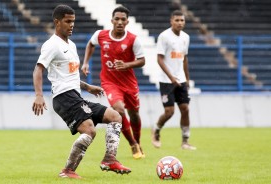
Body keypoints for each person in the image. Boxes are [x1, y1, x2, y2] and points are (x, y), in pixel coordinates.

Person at [32, 4, 131, 179]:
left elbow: (69, 76)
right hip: (63, 97)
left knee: (115, 117)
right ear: (57, 22)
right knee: (89, 130)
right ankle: (67, 171)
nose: (71, 25)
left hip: (75, 95)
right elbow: (38, 69)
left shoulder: (71, 46)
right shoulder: (51, 45)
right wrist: (39, 95)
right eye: (67, 21)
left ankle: (110, 159)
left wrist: (87, 87)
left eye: (73, 21)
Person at [81, 6, 145, 159]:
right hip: (110, 82)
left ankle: (138, 141)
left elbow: (142, 61)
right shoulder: (101, 35)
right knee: (119, 110)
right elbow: (91, 44)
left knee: (134, 114)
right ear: (112, 20)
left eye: (123, 19)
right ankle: (132, 144)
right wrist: (85, 62)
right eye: (117, 19)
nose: (120, 22)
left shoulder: (133, 39)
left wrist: (126, 65)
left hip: (129, 83)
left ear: (127, 22)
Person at [151, 10, 196, 150]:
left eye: (182, 20)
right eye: (177, 20)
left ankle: (185, 141)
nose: (180, 23)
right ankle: (156, 131)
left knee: (185, 108)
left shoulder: (186, 37)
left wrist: (186, 79)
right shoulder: (164, 36)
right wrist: (171, 78)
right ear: (171, 21)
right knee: (169, 112)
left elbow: (184, 59)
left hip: (181, 80)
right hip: (166, 81)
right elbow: (159, 59)